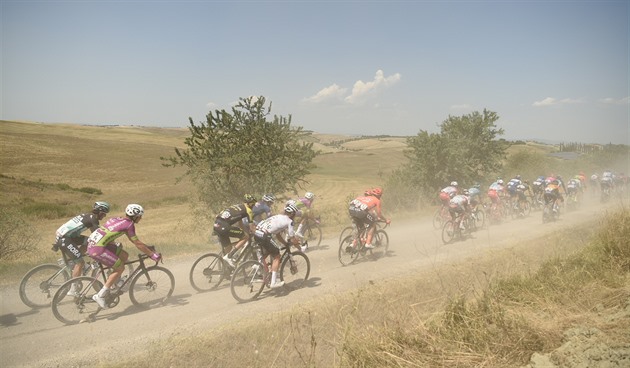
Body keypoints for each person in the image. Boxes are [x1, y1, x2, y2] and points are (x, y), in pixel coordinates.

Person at [86, 204, 160, 309]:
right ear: (135, 216)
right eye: (140, 216)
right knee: (120, 267)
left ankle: (115, 281)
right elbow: (137, 243)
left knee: (124, 255)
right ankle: (100, 295)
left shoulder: (116, 219)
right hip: (98, 248)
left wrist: (147, 247)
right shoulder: (129, 225)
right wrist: (152, 255)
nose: (141, 218)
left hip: (97, 244)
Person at [53, 201, 110, 296]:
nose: (104, 216)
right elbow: (98, 235)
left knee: (88, 241)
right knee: (80, 262)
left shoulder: (89, 216)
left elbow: (94, 236)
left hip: (67, 237)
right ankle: (73, 288)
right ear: (99, 211)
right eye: (104, 213)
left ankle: (71, 260)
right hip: (65, 239)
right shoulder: (93, 219)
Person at [253, 203, 302, 289]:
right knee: (277, 256)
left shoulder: (278, 216)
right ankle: (273, 282)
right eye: (294, 214)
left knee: (269, 250)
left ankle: (259, 265)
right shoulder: (290, 221)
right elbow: (292, 237)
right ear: (292, 214)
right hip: (265, 235)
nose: (295, 216)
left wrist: (285, 244)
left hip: (257, 233)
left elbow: (278, 235)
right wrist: (300, 248)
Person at [213, 194, 257, 268]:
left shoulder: (237, 207)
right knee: (245, 237)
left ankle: (225, 271)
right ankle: (229, 256)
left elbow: (240, 224)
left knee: (228, 248)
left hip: (217, 225)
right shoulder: (248, 210)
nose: (254, 206)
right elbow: (252, 227)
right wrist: (257, 233)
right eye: (253, 204)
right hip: (224, 227)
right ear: (250, 203)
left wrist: (244, 231)